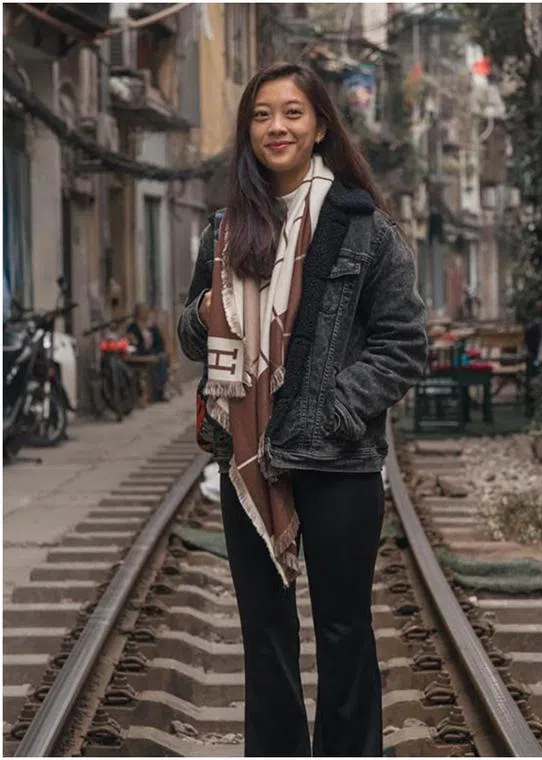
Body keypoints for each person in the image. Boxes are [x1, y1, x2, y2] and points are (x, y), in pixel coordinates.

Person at [177, 61, 427, 756]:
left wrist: (336, 408)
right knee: (264, 629)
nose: (275, 127)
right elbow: (189, 329)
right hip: (245, 455)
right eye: (261, 115)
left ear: (319, 125)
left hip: (337, 459)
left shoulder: (362, 226)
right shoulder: (227, 229)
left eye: (291, 112)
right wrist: (202, 314)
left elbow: (404, 343)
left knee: (344, 628)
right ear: (247, 130)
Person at [126, 303, 169, 402]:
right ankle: (153, 391)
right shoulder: (132, 327)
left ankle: (160, 389)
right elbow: (133, 344)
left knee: (162, 358)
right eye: (143, 312)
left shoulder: (152, 326)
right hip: (139, 354)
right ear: (138, 313)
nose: (145, 314)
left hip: (154, 353)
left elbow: (160, 343)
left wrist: (155, 352)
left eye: (146, 311)